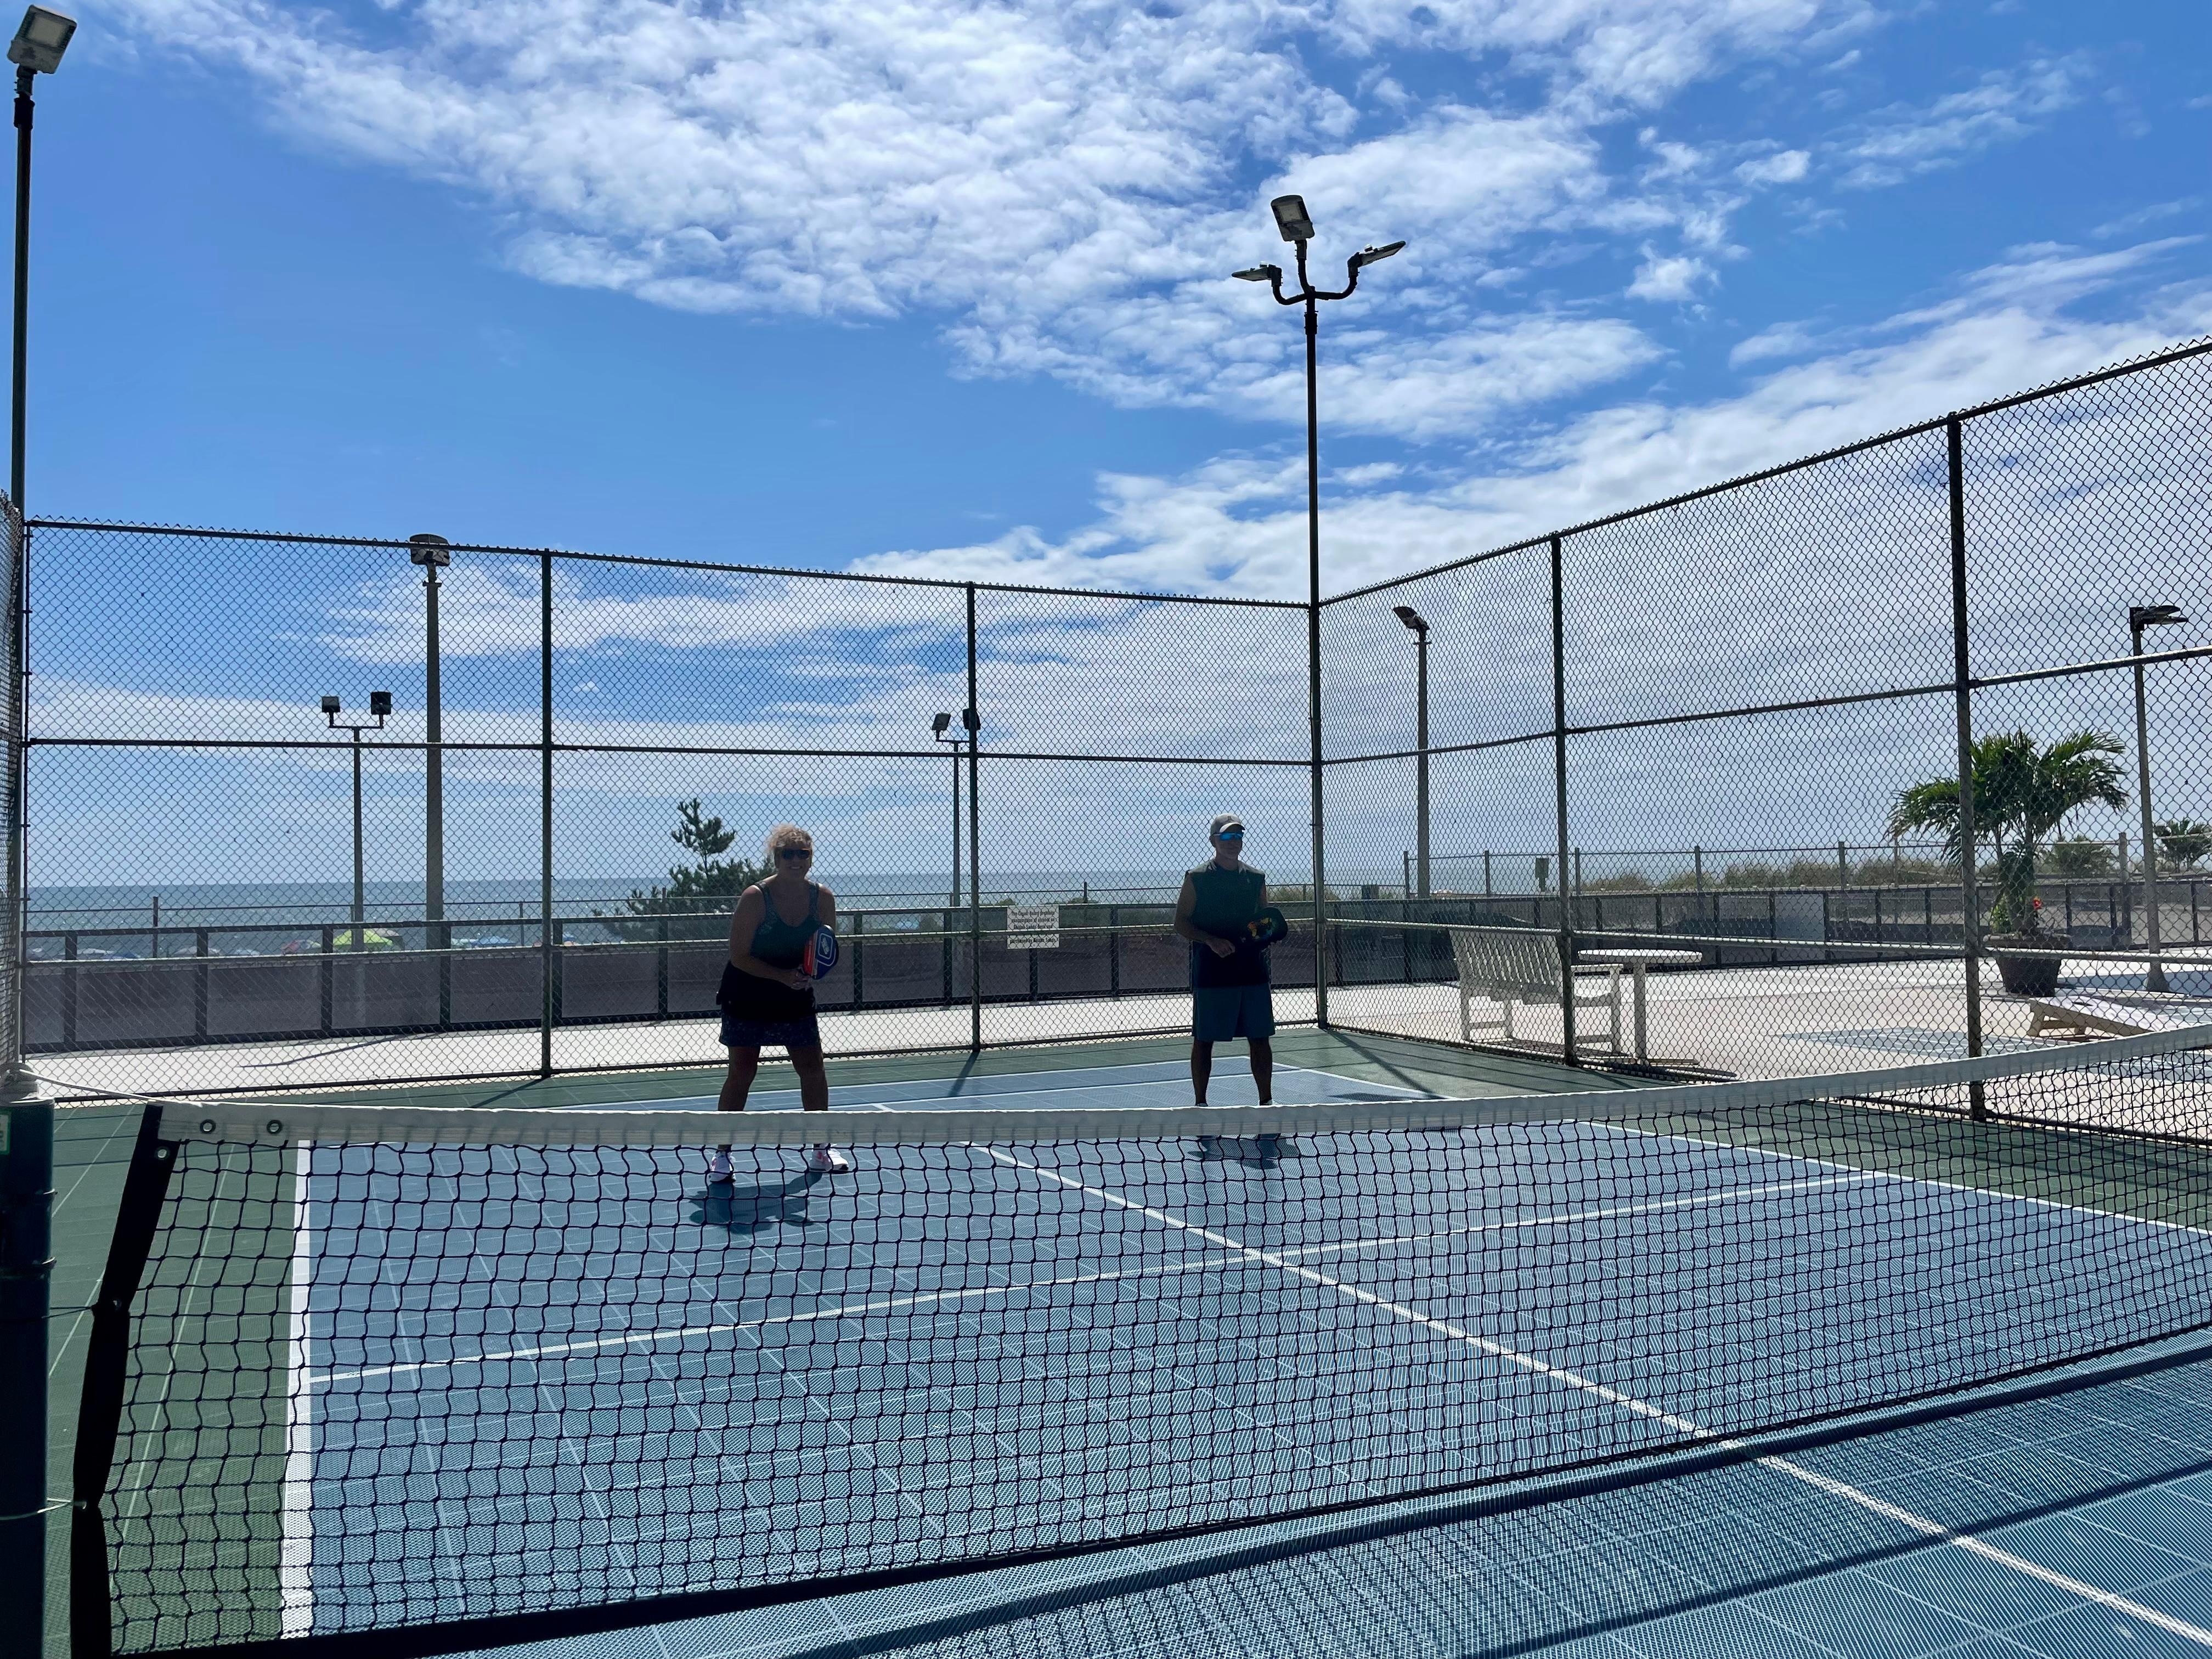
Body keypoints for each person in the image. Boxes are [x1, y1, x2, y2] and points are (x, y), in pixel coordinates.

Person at [710, 823, 848, 1180]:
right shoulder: (756, 898)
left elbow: (825, 950)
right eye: (789, 853)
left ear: (811, 858)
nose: (796, 860)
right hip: (747, 994)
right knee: (742, 1072)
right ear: (776, 857)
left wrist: (808, 975)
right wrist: (783, 977)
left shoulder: (823, 899)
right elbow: (739, 956)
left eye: (804, 853)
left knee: (813, 1069)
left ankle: (821, 1149)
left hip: (795, 996)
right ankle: (722, 1155)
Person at [1174, 814, 1275, 1130]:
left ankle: (1267, 1104)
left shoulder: (1256, 878)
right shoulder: (1196, 877)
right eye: (1227, 838)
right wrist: (1211, 940)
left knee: (1260, 1038)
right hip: (1212, 973)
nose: (1233, 843)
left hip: (1252, 971)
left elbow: (1262, 922)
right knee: (1204, 1039)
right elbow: (1181, 923)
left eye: (1238, 837)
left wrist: (1264, 935)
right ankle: (1201, 1104)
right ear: (1214, 841)